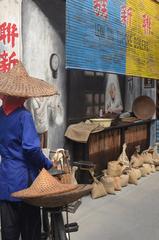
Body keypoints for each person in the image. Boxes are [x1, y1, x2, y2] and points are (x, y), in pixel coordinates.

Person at [0, 61, 57, 240]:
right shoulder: (24, 116)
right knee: (30, 230)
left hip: (5, 179)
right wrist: (47, 163)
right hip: (25, 182)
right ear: (22, 95)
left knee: (9, 230)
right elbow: (32, 149)